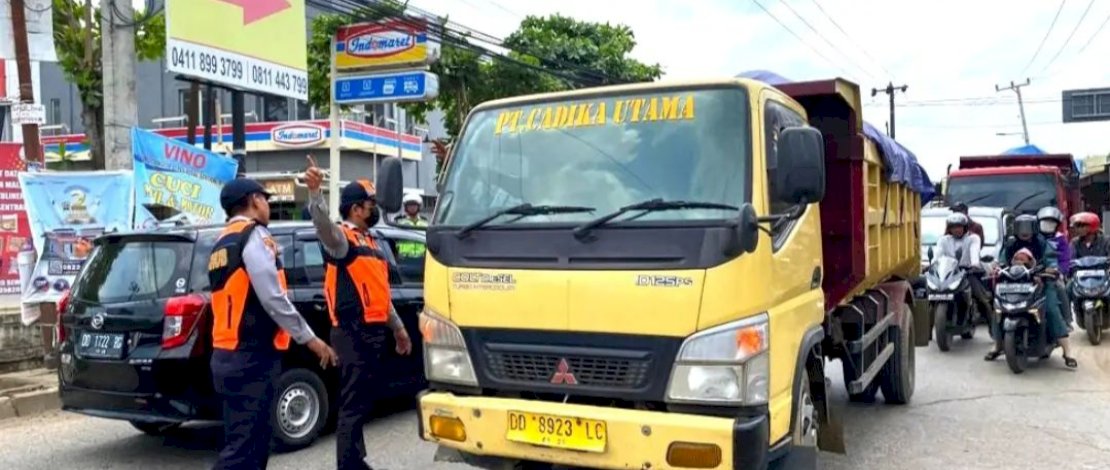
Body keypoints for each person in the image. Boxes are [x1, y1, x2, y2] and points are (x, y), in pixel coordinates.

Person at [208, 178, 338, 470]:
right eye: (265, 199)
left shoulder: (221, 241)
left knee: (245, 444)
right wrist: (312, 340)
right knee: (246, 450)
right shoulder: (254, 235)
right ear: (254, 200)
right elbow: (273, 297)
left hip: (226, 355)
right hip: (252, 356)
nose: (267, 205)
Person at [302, 156, 413, 470]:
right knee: (352, 403)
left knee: (363, 400)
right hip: (352, 333)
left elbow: (380, 294)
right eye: (370, 204)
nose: (374, 209)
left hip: (374, 331)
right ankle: (348, 464)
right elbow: (322, 227)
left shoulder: (371, 241)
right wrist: (315, 193)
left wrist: (398, 329)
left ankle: (355, 459)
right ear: (355, 209)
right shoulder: (342, 240)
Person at [987, 214, 1077, 368]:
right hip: (1013, 283)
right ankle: (998, 345)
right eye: (1021, 228)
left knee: (1050, 309)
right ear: (1015, 229)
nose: (1024, 231)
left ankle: (1067, 351)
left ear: (1034, 228)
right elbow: (1001, 260)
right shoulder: (1010, 243)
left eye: (1028, 227)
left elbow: (1051, 260)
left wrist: (1051, 269)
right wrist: (996, 268)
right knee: (998, 309)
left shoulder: (1042, 243)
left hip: (1041, 282)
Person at [933, 213, 989, 320]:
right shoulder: (943, 240)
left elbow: (974, 251)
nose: (956, 229)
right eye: (953, 227)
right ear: (949, 228)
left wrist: (974, 264)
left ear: (965, 227)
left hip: (968, 272)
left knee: (982, 299)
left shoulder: (973, 238)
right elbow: (937, 256)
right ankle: (930, 325)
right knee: (932, 294)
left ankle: (992, 324)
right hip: (949, 273)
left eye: (959, 226)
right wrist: (932, 265)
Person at [1038, 206, 1074, 331]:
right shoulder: (1036, 237)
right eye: (1045, 222)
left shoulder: (1060, 239)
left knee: (1061, 288)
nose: (1047, 225)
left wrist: (1061, 271)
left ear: (1057, 225)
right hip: (1037, 270)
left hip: (1054, 272)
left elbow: (1065, 258)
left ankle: (1067, 320)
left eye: (1051, 223)